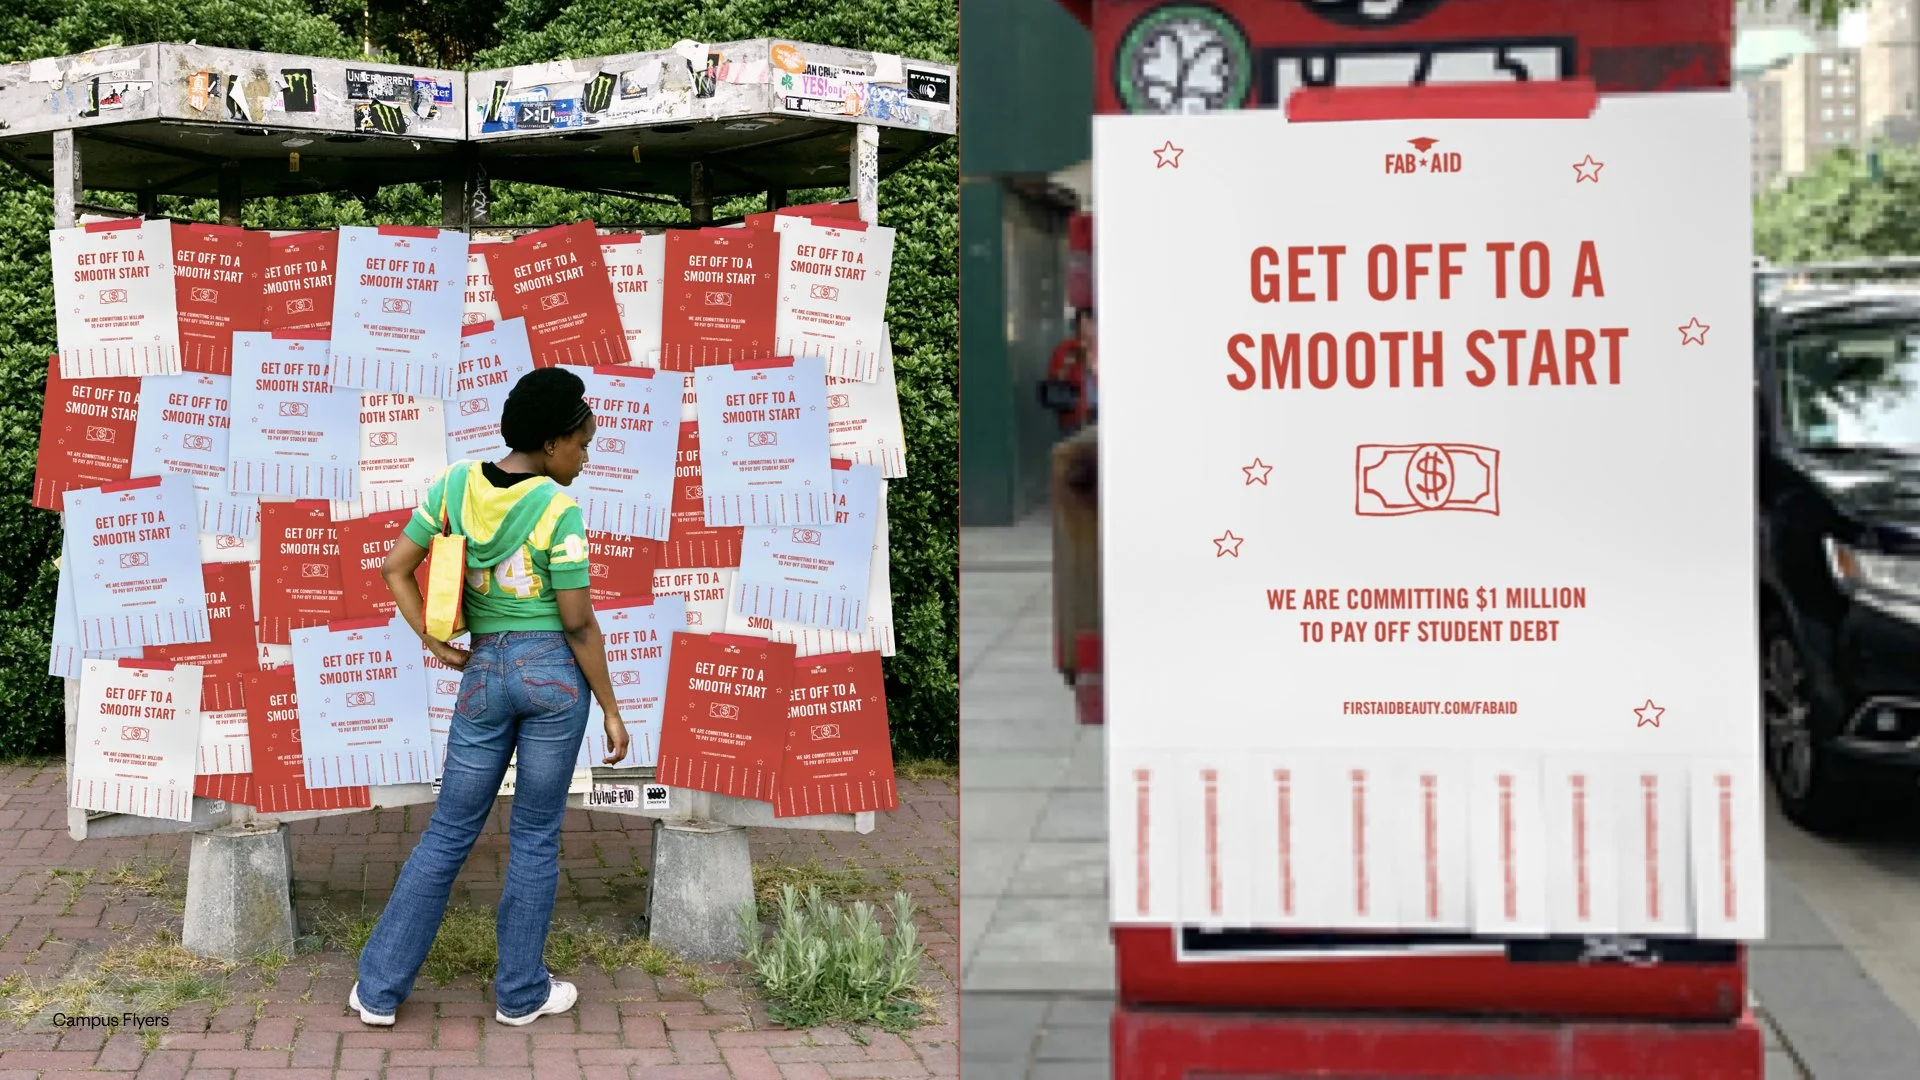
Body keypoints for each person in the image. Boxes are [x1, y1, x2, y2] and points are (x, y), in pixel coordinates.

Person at [348, 367, 629, 1028]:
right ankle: (520, 993)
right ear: (554, 442)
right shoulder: (559, 510)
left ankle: (379, 991)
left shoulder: (453, 485)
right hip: (554, 678)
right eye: (583, 445)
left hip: (484, 673)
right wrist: (612, 709)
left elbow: (395, 567)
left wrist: (436, 643)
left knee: (448, 832)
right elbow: (578, 621)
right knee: (534, 835)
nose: (586, 459)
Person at [1044, 308, 1098, 433]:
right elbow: (1055, 381)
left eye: (1090, 323)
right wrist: (1068, 363)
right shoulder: (1065, 348)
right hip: (1075, 414)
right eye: (1083, 324)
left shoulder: (1101, 348)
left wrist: (1093, 366)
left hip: (1099, 411)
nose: (1087, 328)